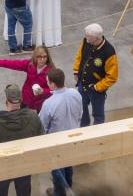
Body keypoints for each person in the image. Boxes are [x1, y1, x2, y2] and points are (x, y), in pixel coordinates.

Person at [0, 84, 44, 196]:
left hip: (1, 168)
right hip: (24, 164)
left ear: (6, 100)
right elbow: (41, 139)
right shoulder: (33, 117)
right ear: (21, 100)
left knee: (0, 192)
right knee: (24, 192)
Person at [39, 68, 83, 196]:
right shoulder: (76, 94)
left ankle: (60, 193)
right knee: (68, 163)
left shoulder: (49, 104)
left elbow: (42, 125)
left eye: (47, 81)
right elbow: (80, 114)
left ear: (53, 84)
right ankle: (68, 184)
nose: (46, 83)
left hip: (56, 141)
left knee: (57, 169)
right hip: (73, 136)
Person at [73, 23, 117, 126]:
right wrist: (76, 71)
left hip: (96, 91)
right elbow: (79, 56)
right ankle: (84, 130)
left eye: (88, 37)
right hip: (82, 86)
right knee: (82, 110)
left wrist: (97, 87)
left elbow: (112, 77)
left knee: (98, 115)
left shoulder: (109, 51)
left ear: (96, 38)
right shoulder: (86, 41)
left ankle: (97, 135)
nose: (85, 38)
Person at [0, 46, 53, 112]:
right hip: (26, 99)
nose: (42, 59)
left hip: (40, 102)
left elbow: (54, 90)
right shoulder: (30, 64)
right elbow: (12, 64)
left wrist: (43, 91)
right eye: (40, 57)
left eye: (44, 57)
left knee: (39, 121)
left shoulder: (51, 71)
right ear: (35, 57)